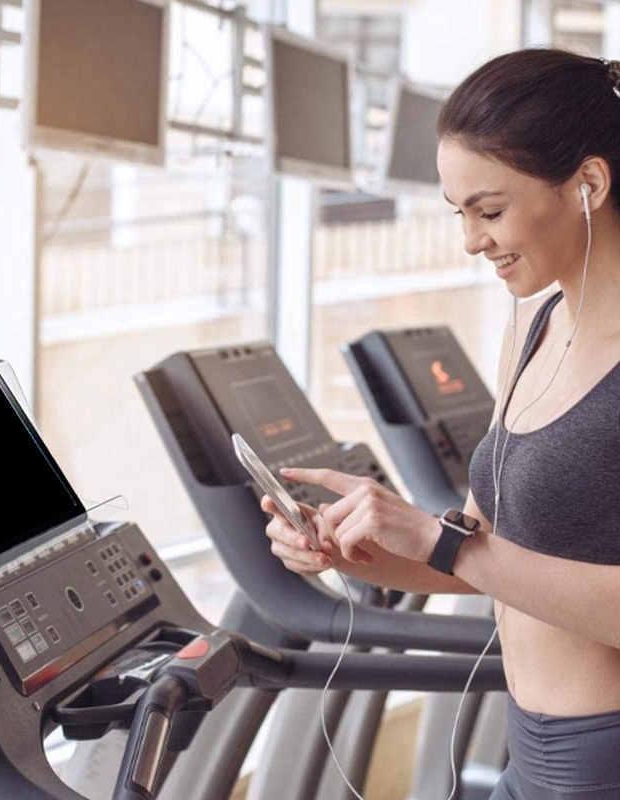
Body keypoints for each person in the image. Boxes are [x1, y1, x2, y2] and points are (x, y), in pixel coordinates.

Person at [263, 48, 620, 800]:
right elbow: (482, 550)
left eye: (490, 211)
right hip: (531, 749)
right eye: (459, 213)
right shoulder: (534, 324)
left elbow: (463, 551)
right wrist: (350, 552)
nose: (471, 239)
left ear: (588, 183)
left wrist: (441, 540)